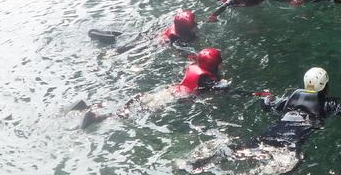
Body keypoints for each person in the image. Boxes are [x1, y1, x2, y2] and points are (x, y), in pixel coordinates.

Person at [181, 67, 341, 175]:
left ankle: (198, 163)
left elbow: (267, 106)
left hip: (274, 130)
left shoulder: (289, 99)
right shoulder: (329, 105)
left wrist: (267, 99)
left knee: (240, 146)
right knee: (297, 160)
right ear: (326, 86)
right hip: (294, 139)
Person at [74, 47, 239, 128]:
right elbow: (222, 88)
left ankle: (87, 109)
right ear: (213, 65)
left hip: (169, 91)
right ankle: (96, 118)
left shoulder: (197, 70)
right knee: (128, 114)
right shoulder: (207, 80)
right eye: (220, 62)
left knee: (135, 105)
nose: (222, 64)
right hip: (172, 99)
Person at [87, 9, 197, 54]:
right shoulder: (178, 39)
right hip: (152, 42)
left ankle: (110, 36)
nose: (196, 24)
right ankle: (109, 51)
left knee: (127, 35)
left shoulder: (177, 26)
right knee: (129, 47)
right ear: (186, 29)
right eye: (193, 23)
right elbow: (180, 51)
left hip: (151, 35)